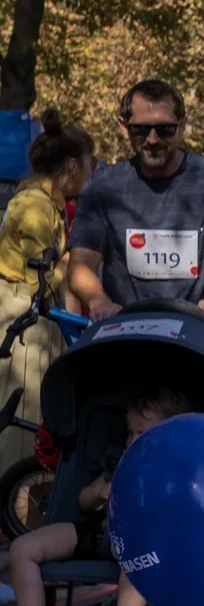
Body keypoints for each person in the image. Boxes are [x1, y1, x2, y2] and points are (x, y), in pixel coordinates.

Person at [7, 387, 189, 606]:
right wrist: (100, 491)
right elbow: (83, 501)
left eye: (142, 433)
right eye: (130, 432)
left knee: (135, 557)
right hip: (98, 532)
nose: (132, 439)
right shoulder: (118, 462)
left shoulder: (174, 473)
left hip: (142, 545)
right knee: (22, 548)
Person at [67, 79, 204, 325]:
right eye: (141, 130)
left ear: (182, 126)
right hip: (127, 337)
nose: (152, 139)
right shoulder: (102, 187)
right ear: (124, 127)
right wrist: (98, 300)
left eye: (164, 129)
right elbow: (80, 264)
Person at [0, 110, 93, 471]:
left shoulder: (41, 202)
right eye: (89, 163)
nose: (91, 171)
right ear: (71, 165)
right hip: (24, 317)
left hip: (33, 311)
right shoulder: (37, 208)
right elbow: (45, 274)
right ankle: (20, 518)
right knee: (25, 421)